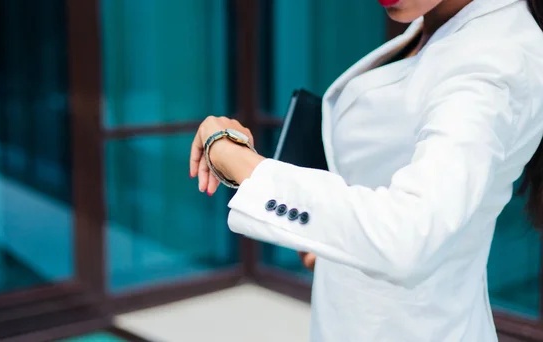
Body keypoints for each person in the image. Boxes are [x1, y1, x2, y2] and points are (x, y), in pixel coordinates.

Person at [189, 0, 543, 341]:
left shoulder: (491, 66)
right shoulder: (444, 17)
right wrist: (326, 249)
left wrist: (245, 166)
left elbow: (410, 233)